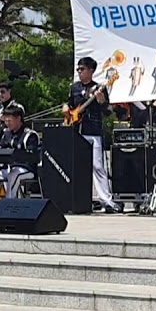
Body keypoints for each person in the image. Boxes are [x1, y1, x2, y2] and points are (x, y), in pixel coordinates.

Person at [63, 56, 120, 213]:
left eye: (82, 69)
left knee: (97, 165)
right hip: (76, 130)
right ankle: (78, 199)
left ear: (91, 71)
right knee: (76, 166)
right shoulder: (74, 87)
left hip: (93, 130)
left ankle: (106, 200)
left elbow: (108, 112)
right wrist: (66, 109)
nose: (80, 72)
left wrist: (101, 101)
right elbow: (70, 104)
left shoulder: (100, 88)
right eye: (78, 69)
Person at [0, 104, 41, 201]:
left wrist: (15, 155)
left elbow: (31, 157)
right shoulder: (6, 133)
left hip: (26, 170)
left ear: (18, 119)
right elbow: (0, 147)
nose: (7, 123)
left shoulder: (30, 135)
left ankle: (9, 204)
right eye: (6, 121)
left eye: (10, 120)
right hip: (7, 168)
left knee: (14, 174)